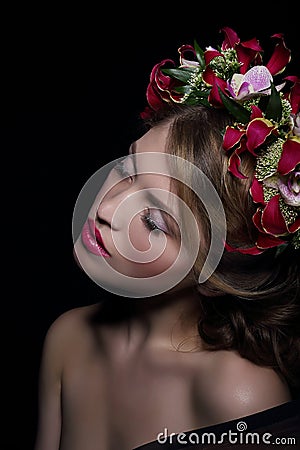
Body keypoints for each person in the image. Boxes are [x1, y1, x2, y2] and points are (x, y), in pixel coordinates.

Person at [34, 27, 300, 450]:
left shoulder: (241, 397)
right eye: (126, 170)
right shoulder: (68, 337)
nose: (105, 209)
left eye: (155, 221)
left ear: (215, 275)